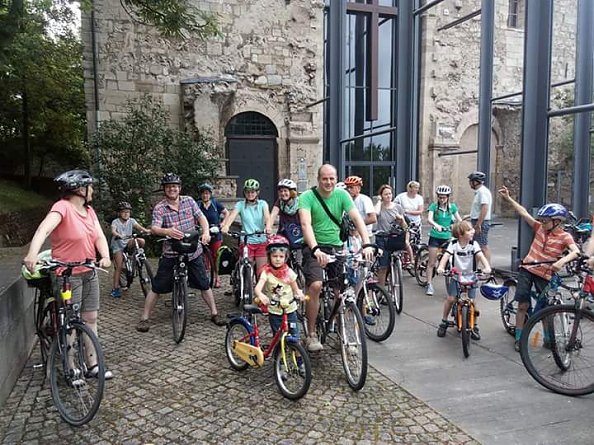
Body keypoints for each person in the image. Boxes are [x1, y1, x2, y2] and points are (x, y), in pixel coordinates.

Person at [23, 169, 113, 379]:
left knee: (91, 317)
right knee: (70, 320)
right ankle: (70, 366)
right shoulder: (61, 207)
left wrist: (106, 256)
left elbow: (99, 236)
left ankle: (92, 364)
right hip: (67, 274)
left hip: (88, 270)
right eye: (90, 187)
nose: (92, 191)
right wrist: (32, 254)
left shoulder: (89, 211)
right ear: (80, 190)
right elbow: (43, 230)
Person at [298, 164, 375, 352]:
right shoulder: (307, 197)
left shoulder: (342, 195)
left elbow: (357, 218)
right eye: (325, 178)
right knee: (315, 286)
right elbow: (305, 224)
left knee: (341, 291)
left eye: (332, 178)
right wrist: (315, 249)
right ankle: (311, 334)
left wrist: (366, 243)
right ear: (318, 179)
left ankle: (343, 330)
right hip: (314, 247)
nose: (329, 182)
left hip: (336, 247)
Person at [136, 173, 226, 332]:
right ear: (164, 189)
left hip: (193, 251)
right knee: (157, 287)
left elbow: (201, 218)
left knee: (204, 284)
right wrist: (167, 231)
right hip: (171, 252)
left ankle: (214, 313)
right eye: (169, 186)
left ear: (179, 188)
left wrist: (205, 232)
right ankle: (144, 318)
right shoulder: (160, 207)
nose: (172, 189)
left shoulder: (189, 201)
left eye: (175, 186)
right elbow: (154, 228)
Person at [498, 186, 579, 351]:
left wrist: (561, 261)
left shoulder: (565, 236)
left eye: (546, 220)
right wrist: (509, 198)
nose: (542, 223)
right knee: (523, 305)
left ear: (557, 221)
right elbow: (524, 213)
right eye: (541, 220)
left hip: (546, 274)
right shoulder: (540, 228)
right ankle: (520, 338)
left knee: (546, 308)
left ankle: (548, 339)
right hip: (528, 269)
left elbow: (576, 252)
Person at [436, 220, 491, 340]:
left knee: (472, 302)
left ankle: (474, 325)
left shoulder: (473, 244)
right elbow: (446, 256)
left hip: (471, 276)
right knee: (451, 299)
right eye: (469, 230)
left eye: (472, 229)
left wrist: (487, 267)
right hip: (457, 276)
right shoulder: (453, 244)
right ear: (461, 234)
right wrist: (441, 267)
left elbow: (480, 256)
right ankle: (444, 321)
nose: (472, 231)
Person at [254, 235, 305, 339]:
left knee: (294, 334)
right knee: (278, 336)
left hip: (290, 309)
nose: (278, 259)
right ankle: (278, 353)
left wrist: (299, 294)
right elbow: (257, 288)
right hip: (274, 311)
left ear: (285, 257)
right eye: (274, 256)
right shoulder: (266, 272)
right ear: (269, 257)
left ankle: (297, 353)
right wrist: (260, 295)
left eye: (281, 257)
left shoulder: (289, 272)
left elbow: (295, 288)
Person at [221, 178, 271, 275]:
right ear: (244, 192)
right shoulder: (240, 205)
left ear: (257, 192)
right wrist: (226, 226)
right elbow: (232, 216)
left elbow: (267, 217)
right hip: (247, 241)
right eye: (247, 192)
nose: (250, 194)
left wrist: (268, 227)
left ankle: (258, 290)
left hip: (261, 240)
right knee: (247, 269)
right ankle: (242, 285)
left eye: (252, 192)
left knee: (261, 272)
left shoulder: (262, 204)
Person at [425, 185, 462, 296]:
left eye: (444, 197)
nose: (442, 200)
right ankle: (429, 284)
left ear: (448, 197)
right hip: (436, 236)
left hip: (448, 237)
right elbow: (429, 219)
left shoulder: (452, 207)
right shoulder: (434, 207)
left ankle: (454, 283)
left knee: (452, 260)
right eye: (440, 197)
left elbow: (459, 220)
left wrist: (458, 226)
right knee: (432, 262)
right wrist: (436, 225)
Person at [374, 184, 414, 285]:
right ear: (381, 195)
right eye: (386, 194)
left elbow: (405, 226)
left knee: (393, 261)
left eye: (390, 194)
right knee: (383, 265)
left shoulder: (398, 207)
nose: (388, 196)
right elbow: (376, 214)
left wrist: (401, 220)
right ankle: (381, 289)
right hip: (382, 237)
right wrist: (379, 201)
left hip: (394, 237)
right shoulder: (379, 207)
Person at [110, 201, 150, 298]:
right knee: (119, 266)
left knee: (141, 241)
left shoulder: (132, 221)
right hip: (118, 244)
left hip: (128, 242)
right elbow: (113, 231)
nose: (126, 214)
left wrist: (147, 231)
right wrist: (118, 235)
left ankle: (136, 258)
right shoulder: (115, 222)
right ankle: (115, 289)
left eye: (127, 212)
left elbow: (140, 228)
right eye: (123, 212)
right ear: (119, 213)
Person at [197, 182, 229, 288]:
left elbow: (226, 213)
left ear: (210, 194)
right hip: (203, 234)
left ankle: (217, 277)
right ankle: (205, 277)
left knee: (215, 256)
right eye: (203, 193)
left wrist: (223, 223)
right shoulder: (198, 205)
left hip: (215, 233)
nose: (205, 195)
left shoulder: (215, 204)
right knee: (204, 255)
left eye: (207, 193)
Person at [266, 179, 303, 250]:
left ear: (292, 192)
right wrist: (268, 227)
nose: (283, 193)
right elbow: (273, 215)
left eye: (285, 191)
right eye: (281, 191)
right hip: (284, 232)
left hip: (297, 233)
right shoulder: (280, 202)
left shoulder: (300, 202)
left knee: (300, 256)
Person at [468, 171, 493, 263]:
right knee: (477, 246)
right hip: (477, 220)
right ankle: (475, 268)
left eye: (471, 181)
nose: (469, 183)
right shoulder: (479, 192)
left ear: (476, 182)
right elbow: (478, 209)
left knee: (483, 246)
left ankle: (487, 269)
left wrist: (478, 224)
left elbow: (484, 207)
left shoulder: (482, 192)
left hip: (481, 222)